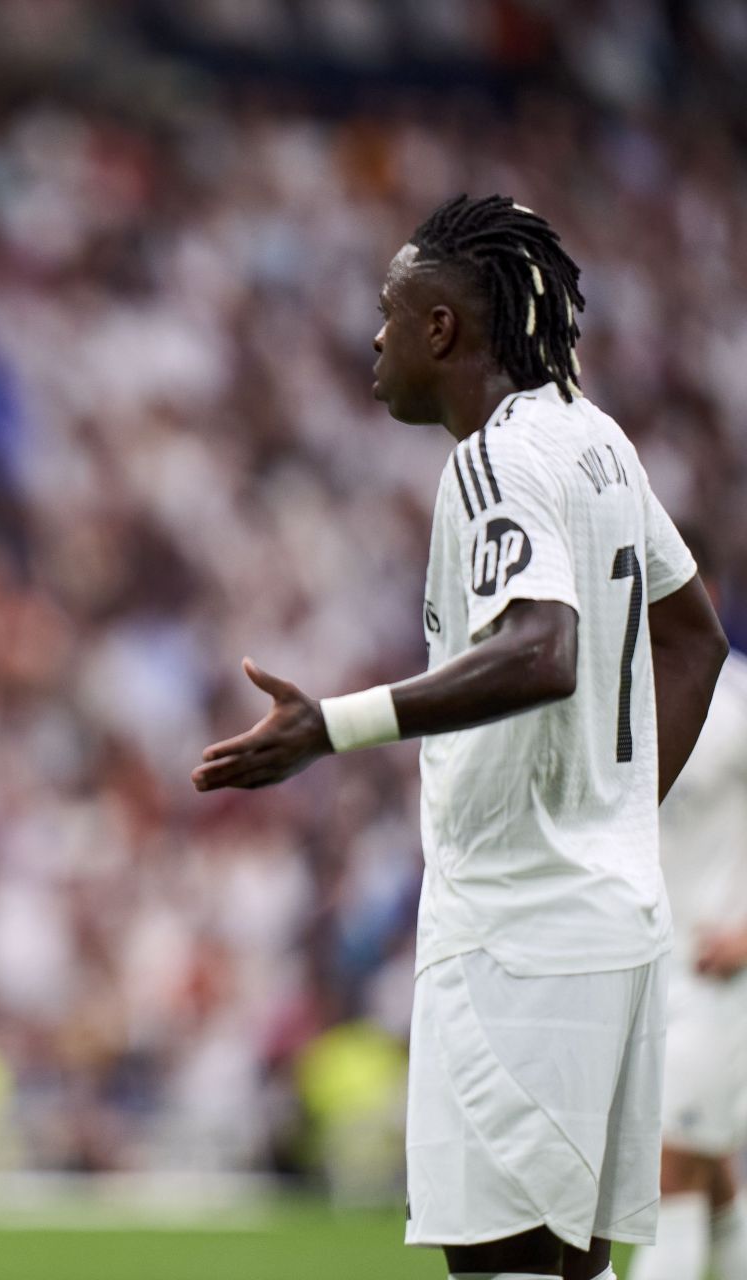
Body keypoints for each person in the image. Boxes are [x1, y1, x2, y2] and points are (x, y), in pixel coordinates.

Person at [191, 195, 729, 1280]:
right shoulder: (598, 441)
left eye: (390, 316)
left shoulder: (494, 462)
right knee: (565, 1268)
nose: (374, 342)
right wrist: (616, 821)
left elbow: (544, 648)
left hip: (519, 934)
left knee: (504, 1267)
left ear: (442, 329)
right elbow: (696, 637)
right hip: (611, 917)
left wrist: (331, 727)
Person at [627, 569, 747, 1280]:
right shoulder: (610, 699)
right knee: (708, 1166)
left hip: (715, 966)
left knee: (672, 1162)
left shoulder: (736, 700)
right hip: (638, 962)